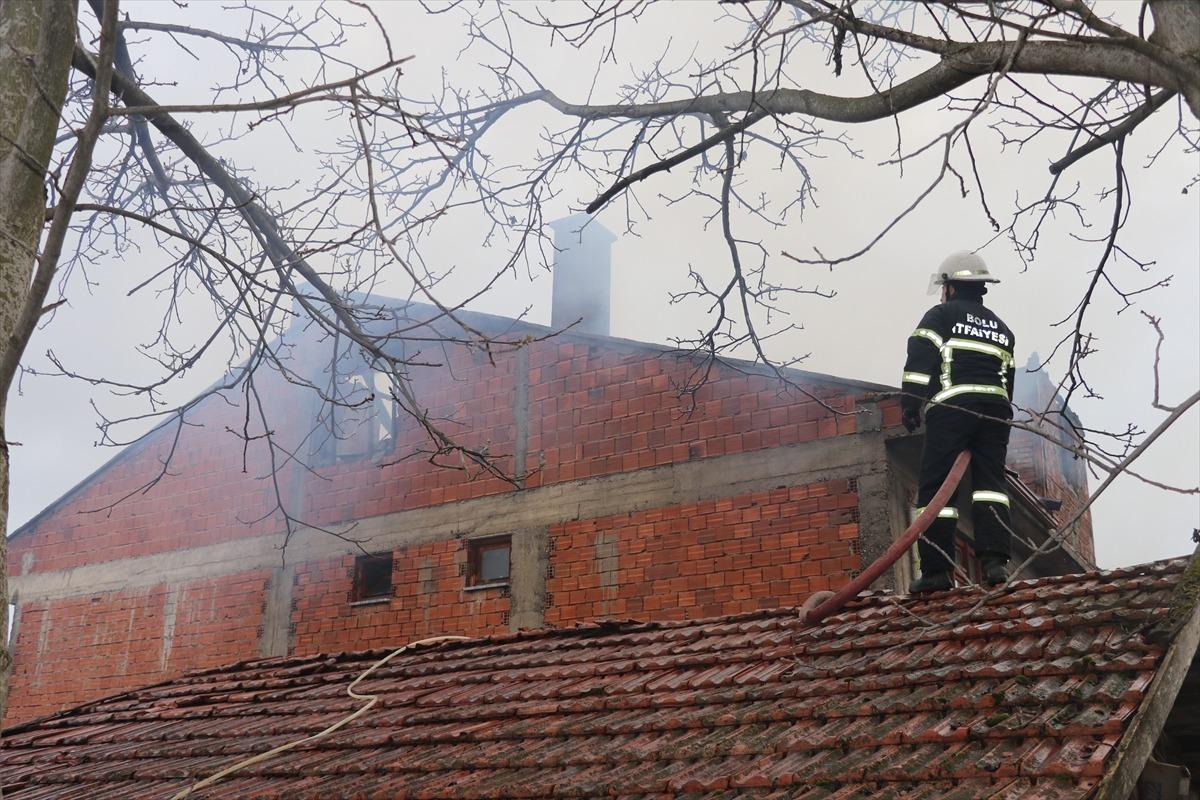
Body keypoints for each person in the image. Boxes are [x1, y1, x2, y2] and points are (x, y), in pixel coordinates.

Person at [900, 251, 1016, 593]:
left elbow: (920, 360)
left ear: (950, 287)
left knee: (936, 488)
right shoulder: (1002, 328)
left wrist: (910, 404)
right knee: (991, 486)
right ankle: (994, 564)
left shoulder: (940, 316)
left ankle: (937, 571)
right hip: (996, 412)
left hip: (953, 410)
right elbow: (1007, 378)